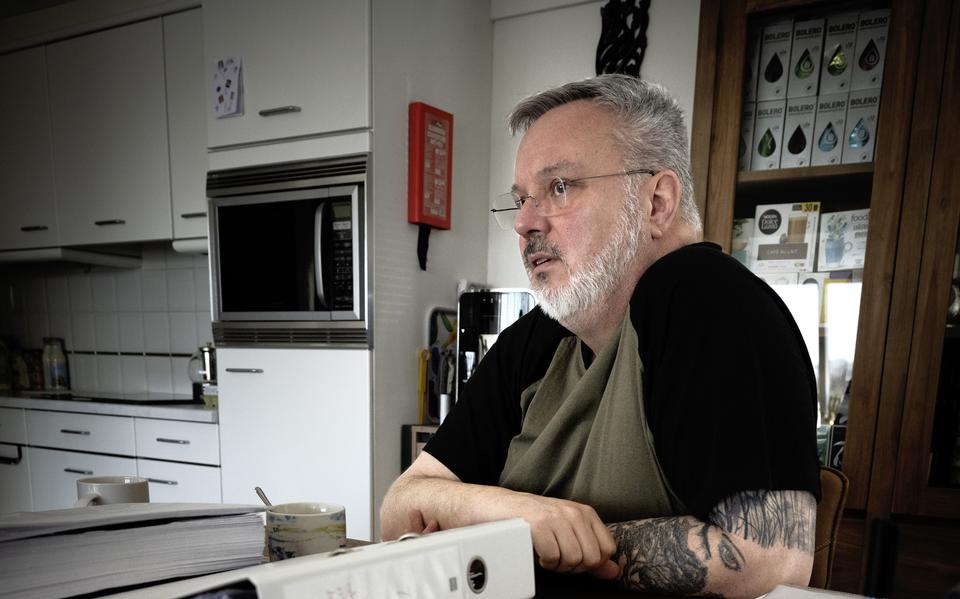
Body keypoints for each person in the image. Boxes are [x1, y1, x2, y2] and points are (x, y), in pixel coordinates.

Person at [380, 75, 821, 598]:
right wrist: (523, 516)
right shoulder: (538, 338)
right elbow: (397, 509)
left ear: (656, 203)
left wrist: (521, 541)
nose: (524, 222)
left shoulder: (709, 299)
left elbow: (771, 563)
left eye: (559, 188)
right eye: (521, 199)